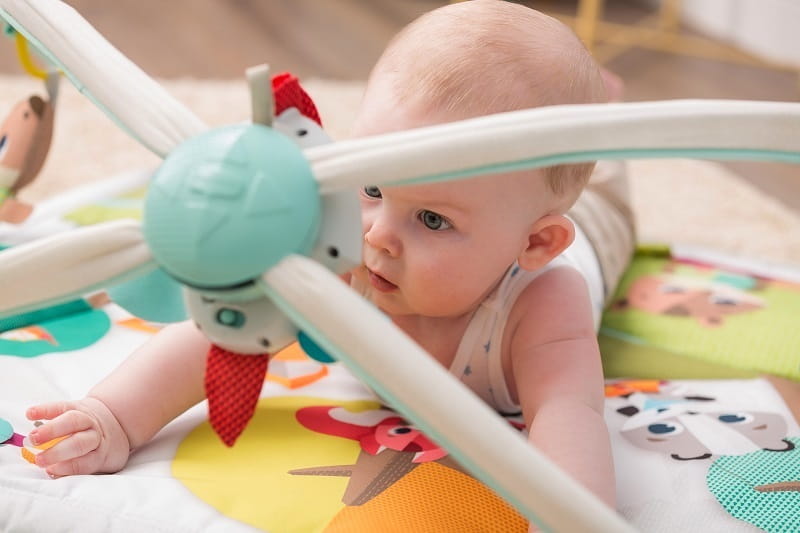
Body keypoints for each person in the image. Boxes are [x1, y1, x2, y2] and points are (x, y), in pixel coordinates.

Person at [25, 0, 634, 525]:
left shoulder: (542, 299)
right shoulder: (340, 250)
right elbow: (217, 336)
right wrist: (113, 416)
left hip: (591, 234)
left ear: (536, 243)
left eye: (432, 219)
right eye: (369, 185)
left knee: (604, 183)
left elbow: (568, 413)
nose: (378, 236)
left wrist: (569, 518)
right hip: (518, 216)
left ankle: (607, 115)